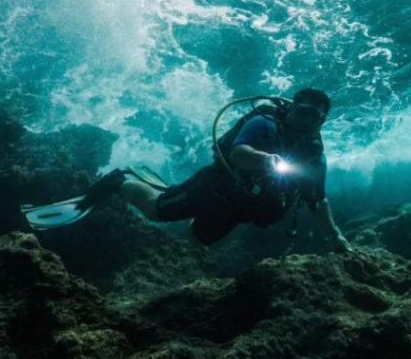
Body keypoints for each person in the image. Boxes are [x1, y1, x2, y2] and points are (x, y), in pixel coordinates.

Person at [86, 88, 351, 251]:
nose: (307, 120)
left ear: (322, 122)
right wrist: (267, 160)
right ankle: (116, 180)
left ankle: (178, 199)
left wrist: (334, 237)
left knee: (196, 240)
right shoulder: (265, 123)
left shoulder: (315, 157)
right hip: (213, 188)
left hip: (239, 209)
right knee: (155, 210)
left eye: (315, 117)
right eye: (303, 111)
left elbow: (317, 200)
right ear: (292, 108)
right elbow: (238, 153)